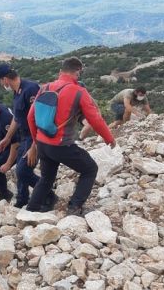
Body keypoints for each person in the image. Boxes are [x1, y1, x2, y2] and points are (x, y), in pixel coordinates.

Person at [27, 57, 116, 215]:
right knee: (90, 169)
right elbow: (95, 119)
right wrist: (109, 138)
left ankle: (31, 210)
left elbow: (30, 117)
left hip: (42, 143)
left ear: (61, 71)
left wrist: (37, 140)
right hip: (61, 145)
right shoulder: (79, 91)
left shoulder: (45, 87)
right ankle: (74, 207)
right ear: (78, 72)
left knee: (46, 178)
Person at [0, 63, 41, 208]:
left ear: (4, 80)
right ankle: (22, 199)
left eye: (1, 82)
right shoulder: (17, 92)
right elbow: (17, 118)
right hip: (24, 136)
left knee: (23, 170)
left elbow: (40, 119)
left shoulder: (31, 89)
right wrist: (7, 138)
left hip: (34, 137)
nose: (2, 85)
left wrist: (34, 146)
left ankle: (47, 193)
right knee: (20, 170)